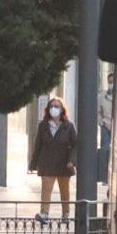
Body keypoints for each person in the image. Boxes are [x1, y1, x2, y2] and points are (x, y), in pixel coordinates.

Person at [29, 96, 77, 224]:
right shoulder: (43, 125)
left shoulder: (69, 126)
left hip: (64, 163)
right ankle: (44, 214)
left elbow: (75, 145)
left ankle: (66, 214)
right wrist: (33, 164)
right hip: (47, 162)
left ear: (62, 110)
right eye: (51, 106)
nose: (53, 109)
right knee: (46, 189)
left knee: (64, 190)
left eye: (57, 106)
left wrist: (72, 161)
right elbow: (38, 145)